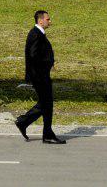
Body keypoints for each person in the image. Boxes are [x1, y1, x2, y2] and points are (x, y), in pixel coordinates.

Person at [15, 9, 65, 144]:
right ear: (40, 20)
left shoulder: (39, 33)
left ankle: (33, 127)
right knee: (46, 104)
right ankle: (25, 122)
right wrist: (46, 64)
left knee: (46, 104)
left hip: (42, 75)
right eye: (48, 19)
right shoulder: (35, 34)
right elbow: (33, 55)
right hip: (39, 76)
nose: (50, 21)